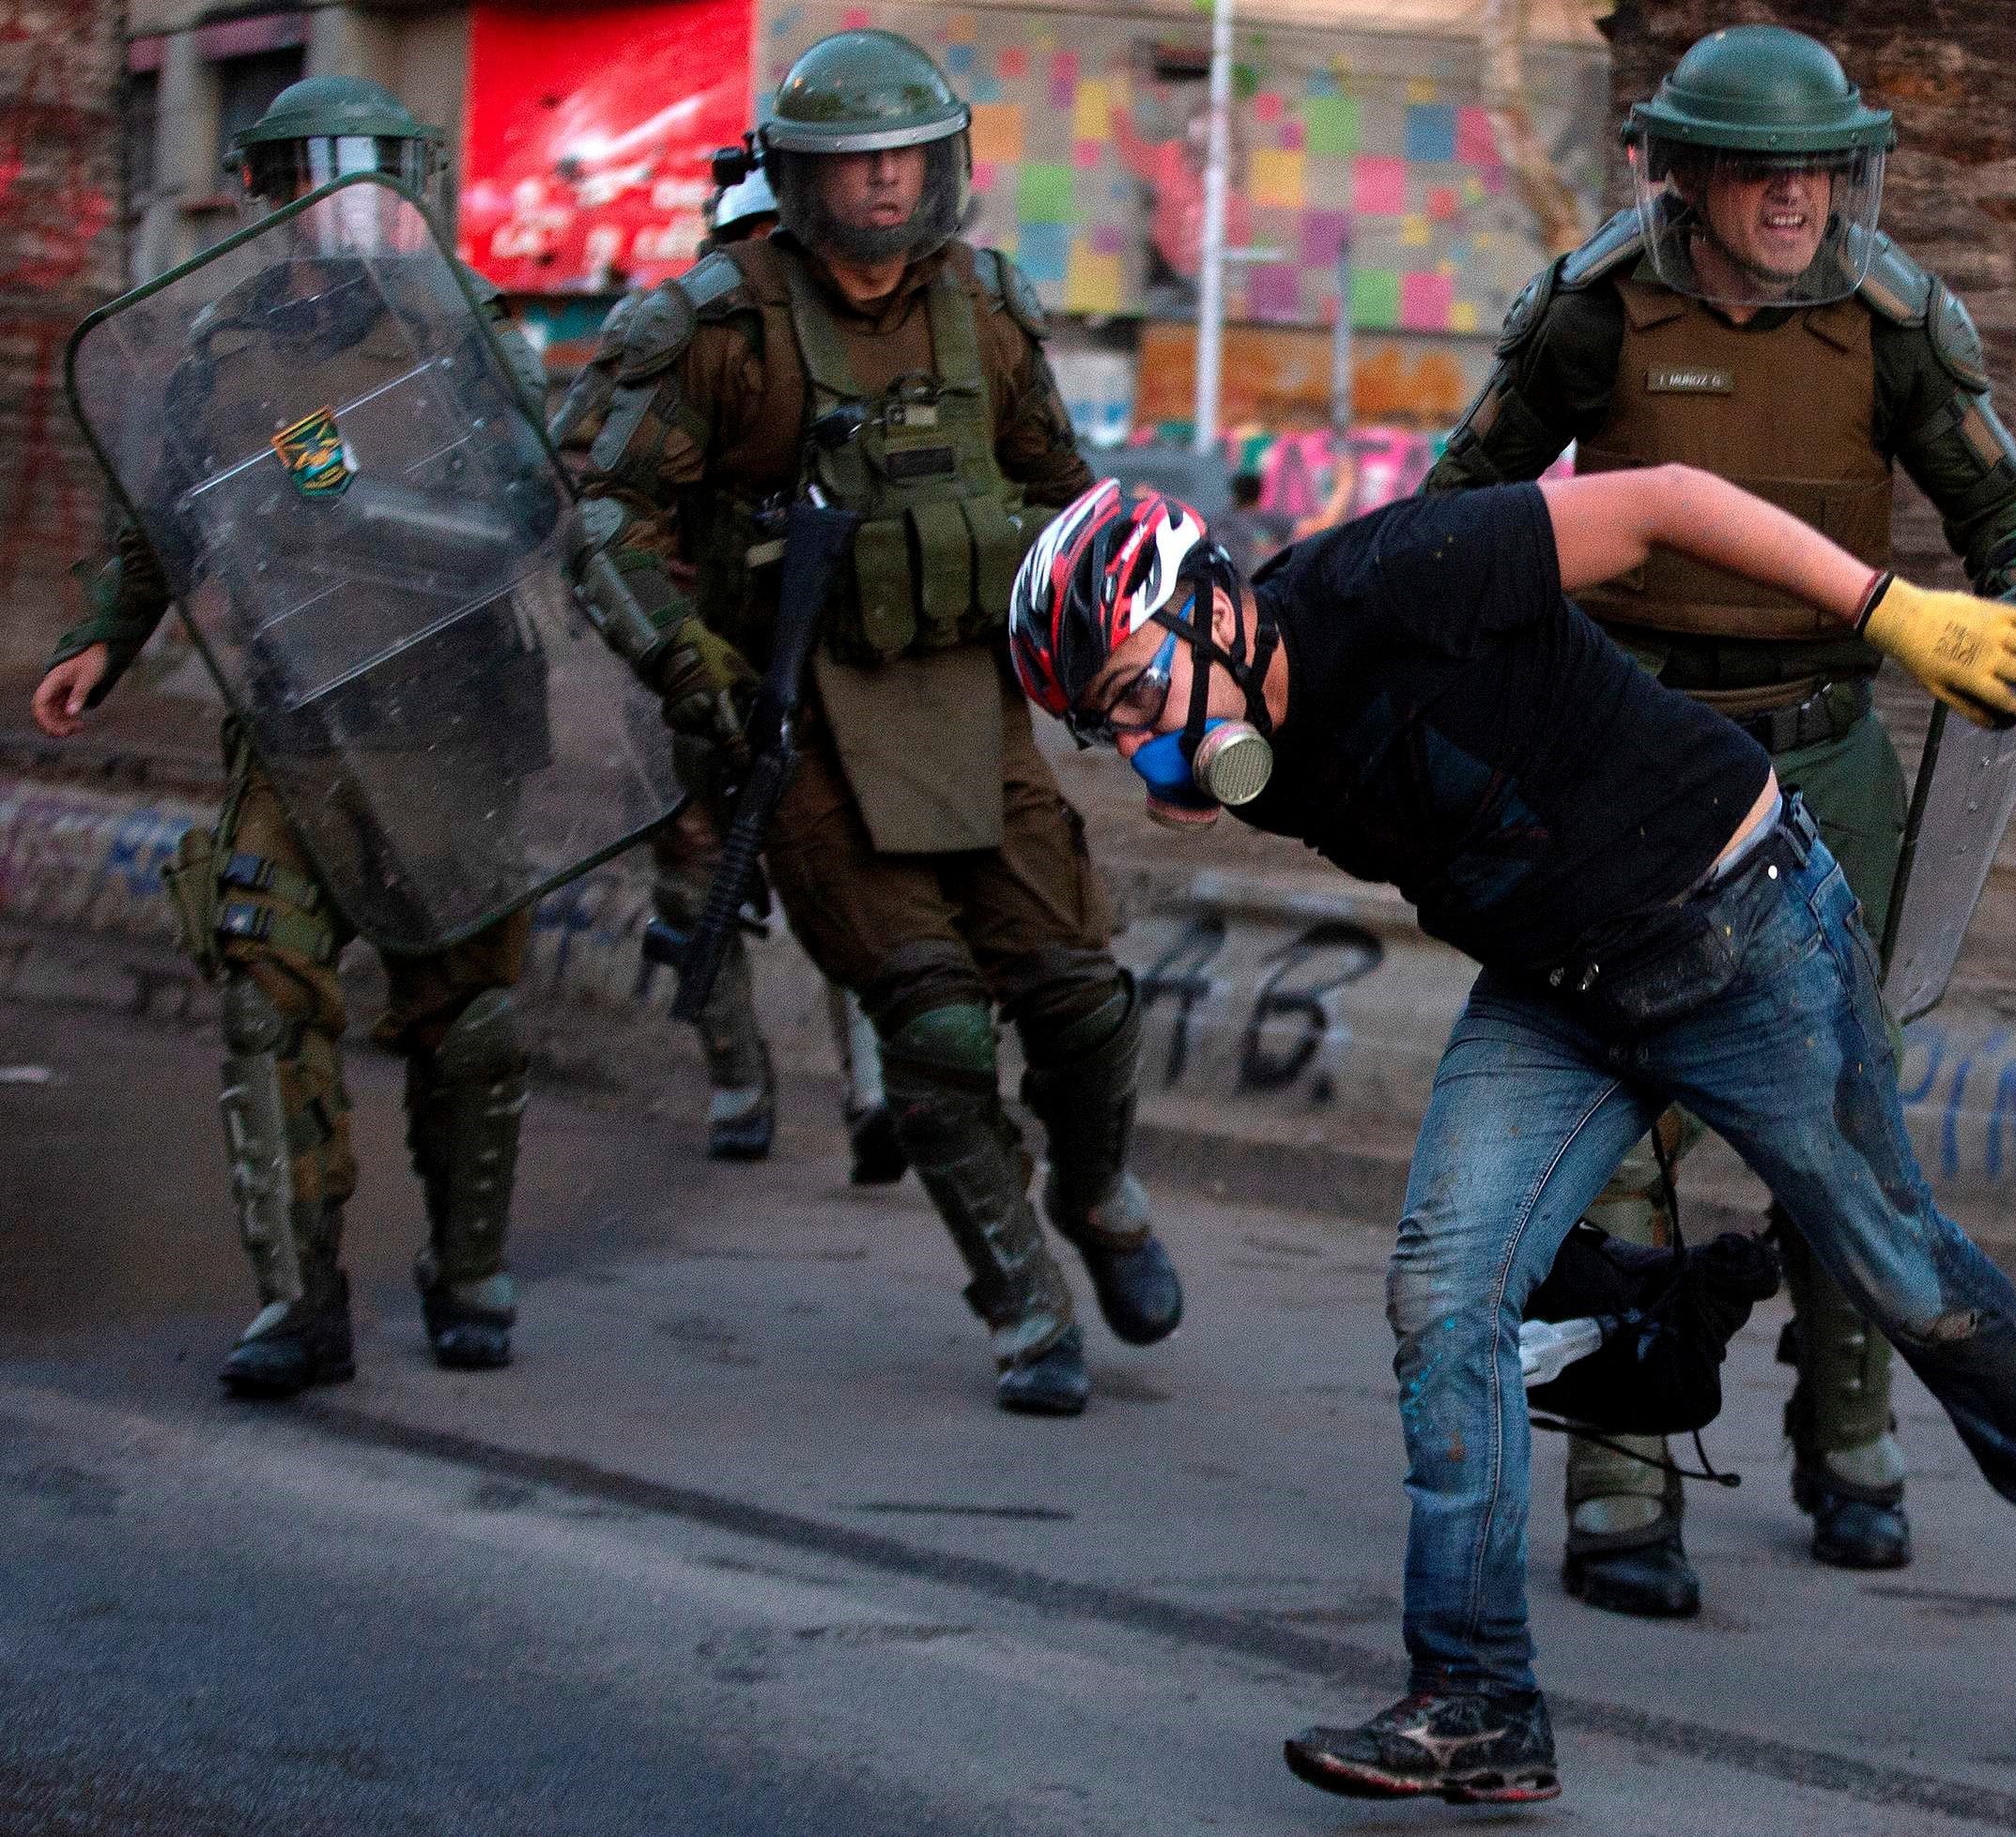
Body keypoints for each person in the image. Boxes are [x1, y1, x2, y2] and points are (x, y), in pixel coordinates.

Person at [1007, 472, 2016, 1806]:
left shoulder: (1400, 573)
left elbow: (1664, 502)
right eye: (1099, 728)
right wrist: (1182, 750)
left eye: (1128, 697)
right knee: (1446, 1294)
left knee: (1907, 1286)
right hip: (1556, 999)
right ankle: (1477, 1698)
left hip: (1742, 937)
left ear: (1215, 608)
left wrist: (1892, 614)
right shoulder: (1224, 739)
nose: (1132, 748)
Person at [1423, 24, 2016, 1612]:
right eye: (1761, 170)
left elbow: (2013, 510)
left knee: (1841, 1113)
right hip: (1620, 761)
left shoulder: (1893, 317)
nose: (1795, 200)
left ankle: (1850, 1441)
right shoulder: (1592, 314)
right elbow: (1461, 518)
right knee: (1617, 1111)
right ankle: (1621, 1480)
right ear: (1687, 172)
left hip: (1826, 757)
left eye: (1816, 169)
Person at [553, 28, 1177, 1416]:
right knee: (938, 1026)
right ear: (801, 177)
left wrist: (1134, 671)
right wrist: (685, 660)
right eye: (856, 163)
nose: (887, 185)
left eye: (907, 157)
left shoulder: (993, 311)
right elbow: (603, 516)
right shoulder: (717, 330)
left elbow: (1073, 510)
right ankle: (1023, 1299)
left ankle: (1096, 1192)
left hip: (975, 713)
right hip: (809, 738)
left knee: (1082, 997)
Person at [29, 79, 559, 1395]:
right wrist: (107, 636)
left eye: (372, 172)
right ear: (272, 200)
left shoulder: (470, 331)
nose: (348, 200)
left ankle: (468, 1268)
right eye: (318, 176)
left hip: (452, 716)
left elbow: (550, 505)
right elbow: (164, 512)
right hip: (298, 714)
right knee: (267, 991)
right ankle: (299, 1299)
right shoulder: (218, 347)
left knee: (468, 1018)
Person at [597, 156, 905, 1177]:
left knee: (853, 876)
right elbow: (597, 499)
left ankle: (874, 1094)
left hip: (836, 657)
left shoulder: (875, 342)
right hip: (701, 654)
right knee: (694, 875)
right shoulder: (678, 341)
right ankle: (738, 1077)